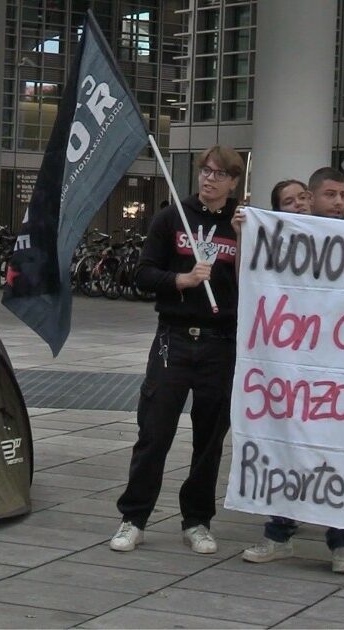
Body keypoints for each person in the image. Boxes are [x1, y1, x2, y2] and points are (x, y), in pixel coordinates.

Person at [110, 145, 243, 555]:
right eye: (205, 171)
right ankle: (134, 517)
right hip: (175, 338)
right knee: (154, 431)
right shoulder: (173, 217)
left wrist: (243, 239)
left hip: (221, 342)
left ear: (234, 181)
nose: (209, 179)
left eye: (219, 174)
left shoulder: (243, 224)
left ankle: (198, 520)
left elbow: (260, 282)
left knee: (210, 438)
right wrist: (181, 281)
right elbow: (143, 274)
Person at [241, 167, 344, 574]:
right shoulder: (284, 240)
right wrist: (247, 233)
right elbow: (253, 277)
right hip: (293, 367)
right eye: (330, 195)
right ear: (313, 197)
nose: (338, 203)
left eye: (343, 195)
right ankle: (279, 534)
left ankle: (341, 543)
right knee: (285, 445)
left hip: (341, 371)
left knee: (338, 455)